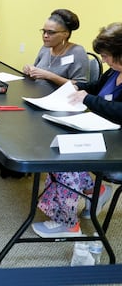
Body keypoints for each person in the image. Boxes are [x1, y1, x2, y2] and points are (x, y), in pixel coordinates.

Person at [31, 23, 122, 238]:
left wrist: (88, 98)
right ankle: (94, 190)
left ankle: (67, 223)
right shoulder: (114, 72)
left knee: (64, 160)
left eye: (108, 56)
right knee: (57, 147)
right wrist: (76, 87)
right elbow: (95, 87)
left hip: (117, 145)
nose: (105, 60)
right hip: (104, 133)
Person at [23, 9, 89, 88]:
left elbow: (82, 85)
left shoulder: (77, 52)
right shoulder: (45, 48)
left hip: (59, 98)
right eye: (44, 31)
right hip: (37, 93)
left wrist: (50, 76)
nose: (45, 36)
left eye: (51, 32)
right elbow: (36, 73)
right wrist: (29, 70)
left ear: (65, 34)